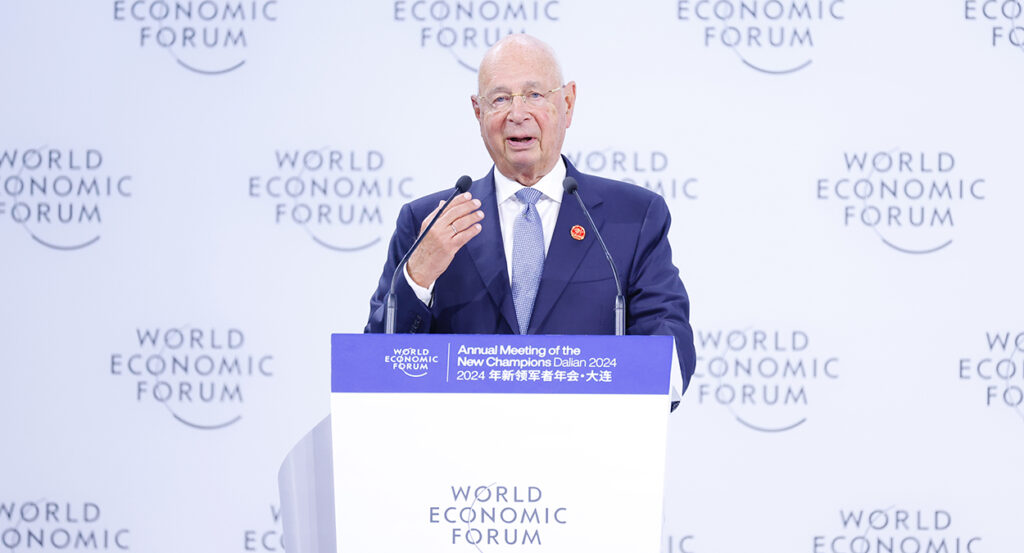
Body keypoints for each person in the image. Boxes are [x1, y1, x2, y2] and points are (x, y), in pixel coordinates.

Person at [365, 34, 696, 395]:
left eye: (535, 95)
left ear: (568, 103)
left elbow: (668, 338)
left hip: (588, 443)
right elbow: (374, 366)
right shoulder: (427, 221)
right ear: (478, 112)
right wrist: (419, 276)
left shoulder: (632, 218)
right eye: (500, 99)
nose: (517, 114)